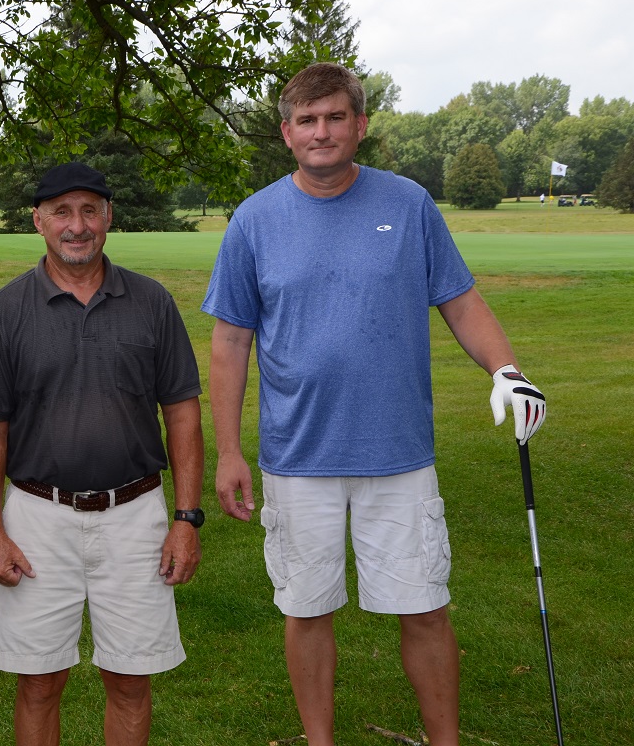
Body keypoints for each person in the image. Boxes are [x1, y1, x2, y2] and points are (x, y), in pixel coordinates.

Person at [202, 63, 547, 746]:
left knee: (423, 608)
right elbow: (229, 343)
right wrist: (231, 452)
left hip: (398, 453)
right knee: (306, 611)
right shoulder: (255, 219)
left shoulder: (409, 204)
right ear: (286, 133)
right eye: (307, 120)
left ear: (360, 125)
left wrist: (507, 369)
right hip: (298, 458)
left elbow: (460, 299)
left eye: (335, 117)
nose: (322, 131)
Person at [0, 162, 205, 746]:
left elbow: (182, 413)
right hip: (37, 518)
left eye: (89, 211)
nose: (78, 226)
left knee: (129, 682)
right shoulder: (6, 311)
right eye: (63, 213)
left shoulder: (151, 303)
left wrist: (186, 519)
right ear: (39, 221)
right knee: (40, 683)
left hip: (136, 516)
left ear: (108, 217)